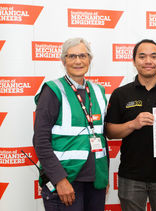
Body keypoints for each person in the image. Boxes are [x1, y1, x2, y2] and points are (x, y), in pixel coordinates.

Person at [105, 39, 156, 211]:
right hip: (131, 175)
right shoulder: (121, 93)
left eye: (154, 56)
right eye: (142, 56)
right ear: (134, 60)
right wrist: (132, 124)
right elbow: (109, 132)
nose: (148, 61)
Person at [33, 37, 109, 211]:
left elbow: (101, 136)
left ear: (89, 59)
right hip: (66, 181)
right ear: (63, 60)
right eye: (71, 56)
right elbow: (40, 140)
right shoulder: (53, 90)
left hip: (95, 181)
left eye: (83, 55)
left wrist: (103, 177)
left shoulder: (98, 91)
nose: (78, 61)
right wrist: (59, 180)